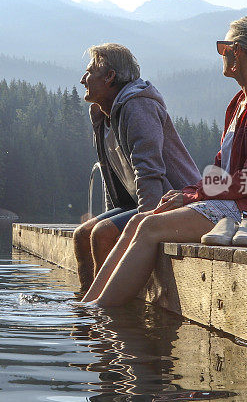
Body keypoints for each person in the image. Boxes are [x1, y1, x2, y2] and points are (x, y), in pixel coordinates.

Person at [82, 16, 247, 306]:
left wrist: (193, 195)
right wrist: (186, 194)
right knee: (140, 221)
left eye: (222, 47)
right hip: (239, 202)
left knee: (149, 227)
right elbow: (221, 171)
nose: (220, 54)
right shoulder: (241, 102)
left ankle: (102, 312)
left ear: (236, 51)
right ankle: (86, 305)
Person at [73, 43, 200, 292]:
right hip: (136, 203)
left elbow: (149, 171)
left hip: (174, 203)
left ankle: (105, 312)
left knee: (102, 234)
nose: (82, 79)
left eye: (89, 72)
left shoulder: (137, 105)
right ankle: (86, 309)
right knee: (82, 235)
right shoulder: (103, 115)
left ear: (110, 76)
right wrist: (115, 217)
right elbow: (114, 180)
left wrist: (144, 228)